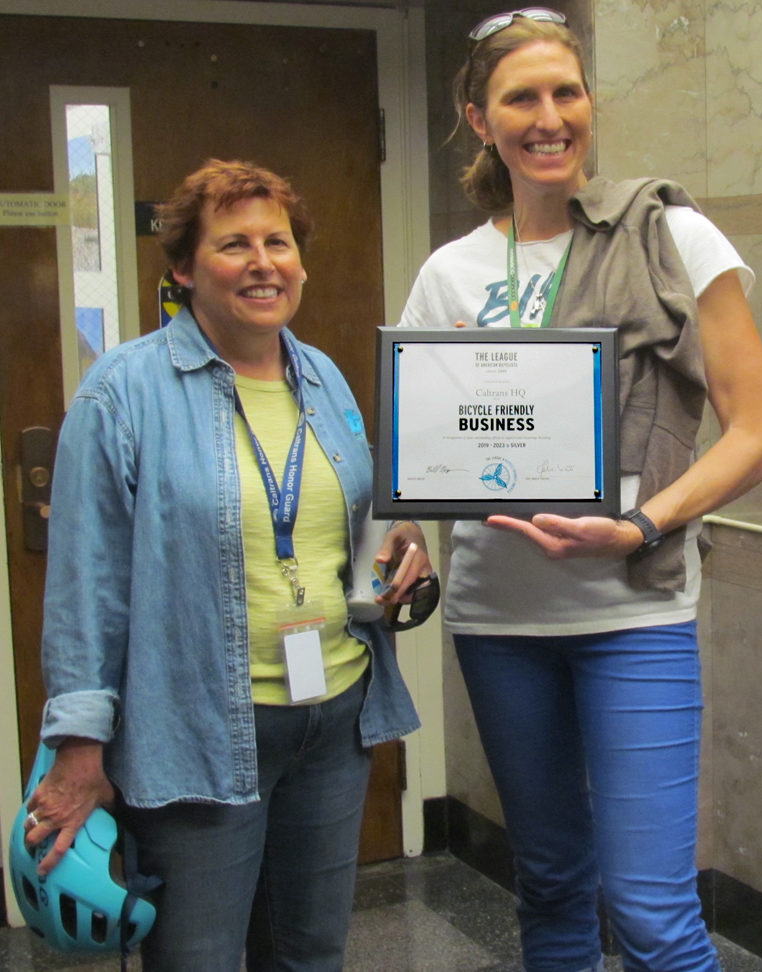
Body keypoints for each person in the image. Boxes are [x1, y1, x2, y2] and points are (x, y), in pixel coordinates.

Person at [399, 9, 762, 972]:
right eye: (520, 98)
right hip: (497, 621)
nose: (548, 117)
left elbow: (755, 430)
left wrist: (640, 523)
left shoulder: (671, 235)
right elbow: (419, 451)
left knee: (651, 913)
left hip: (632, 613)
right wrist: (401, 527)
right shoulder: (448, 274)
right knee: (552, 887)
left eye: (566, 92)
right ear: (479, 120)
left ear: (590, 103)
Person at [23, 158, 435, 971]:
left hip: (334, 716)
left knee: (308, 954)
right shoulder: (123, 392)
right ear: (183, 269)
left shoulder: (322, 378)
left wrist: (401, 545)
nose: (262, 263)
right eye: (233, 244)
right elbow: (84, 586)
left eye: (277, 242)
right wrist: (78, 745)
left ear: (301, 262)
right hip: (197, 729)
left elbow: (354, 519)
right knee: (198, 958)